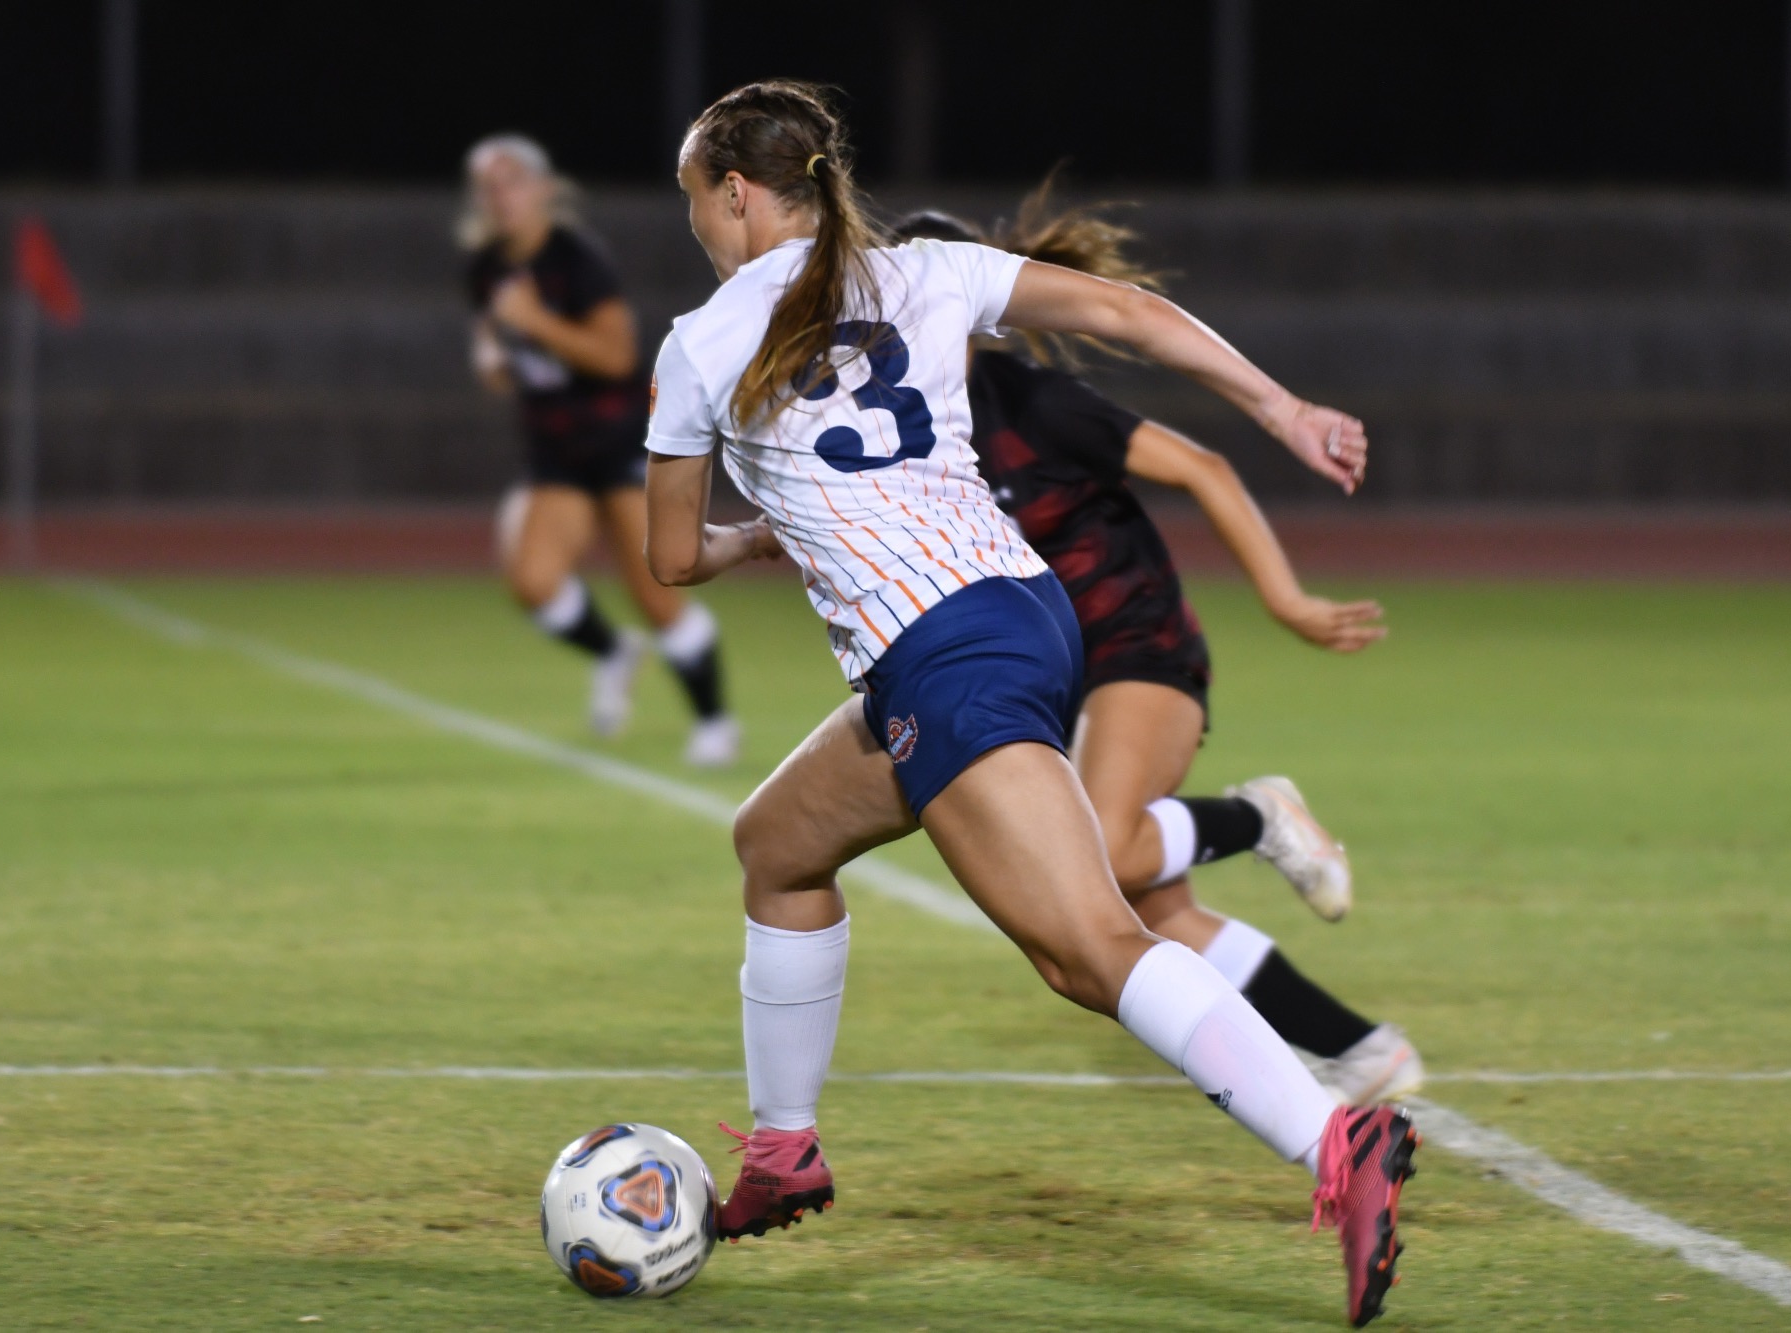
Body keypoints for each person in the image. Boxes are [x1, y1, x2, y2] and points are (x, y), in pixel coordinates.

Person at [643, 82, 1417, 1327]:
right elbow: (1122, 311)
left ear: (732, 192)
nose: (689, 220)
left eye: (690, 195)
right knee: (777, 847)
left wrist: (751, 541)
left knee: (1087, 950)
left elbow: (673, 558)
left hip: (944, 655)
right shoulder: (927, 270)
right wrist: (1282, 406)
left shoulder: (698, 344)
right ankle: (783, 1154)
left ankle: (1337, 1141)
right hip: (1019, 614)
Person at [891, 202, 1421, 1107]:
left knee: (1104, 855)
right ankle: (1363, 1049)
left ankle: (1259, 819)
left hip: (1135, 644)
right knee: (1148, 910)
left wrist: (1285, 600)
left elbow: (1202, 469)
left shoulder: (1036, 403)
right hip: (1043, 675)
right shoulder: (894, 424)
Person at [460, 134, 738, 766]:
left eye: (511, 182)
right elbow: (505, 363)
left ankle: (715, 722)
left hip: (620, 440)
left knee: (657, 591)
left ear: (540, 188)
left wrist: (535, 323)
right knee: (533, 582)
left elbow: (615, 356)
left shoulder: (577, 259)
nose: (499, 198)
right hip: (556, 448)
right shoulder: (486, 267)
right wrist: (495, 357)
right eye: (488, 186)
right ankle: (614, 653)